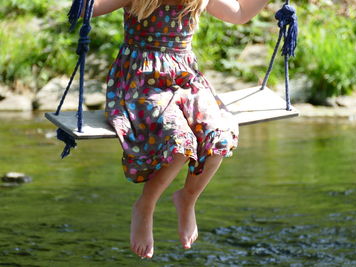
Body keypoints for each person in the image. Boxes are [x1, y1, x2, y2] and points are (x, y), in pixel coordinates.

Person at [88, 0, 268, 259]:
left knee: (218, 138)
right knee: (180, 143)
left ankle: (187, 198)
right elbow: (87, 8)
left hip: (186, 79)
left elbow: (238, 14)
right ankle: (145, 205)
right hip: (141, 80)